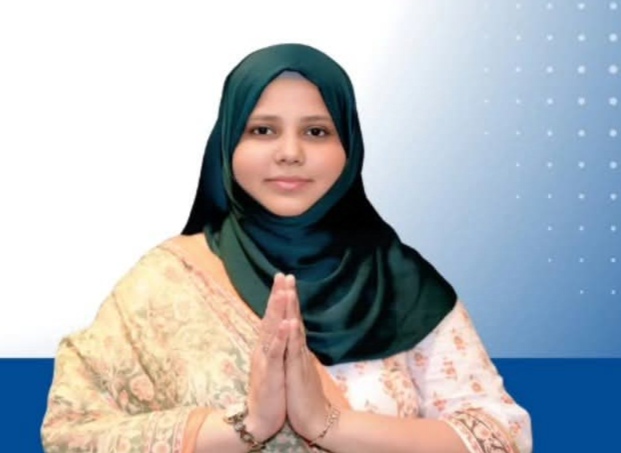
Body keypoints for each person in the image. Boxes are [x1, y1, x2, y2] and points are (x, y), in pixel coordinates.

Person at [41, 43, 532, 452]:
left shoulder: (402, 285)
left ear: (348, 146)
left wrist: (329, 425)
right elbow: (70, 434)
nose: (290, 152)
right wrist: (247, 425)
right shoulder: (165, 282)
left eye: (316, 131)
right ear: (227, 144)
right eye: (263, 130)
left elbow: (500, 438)